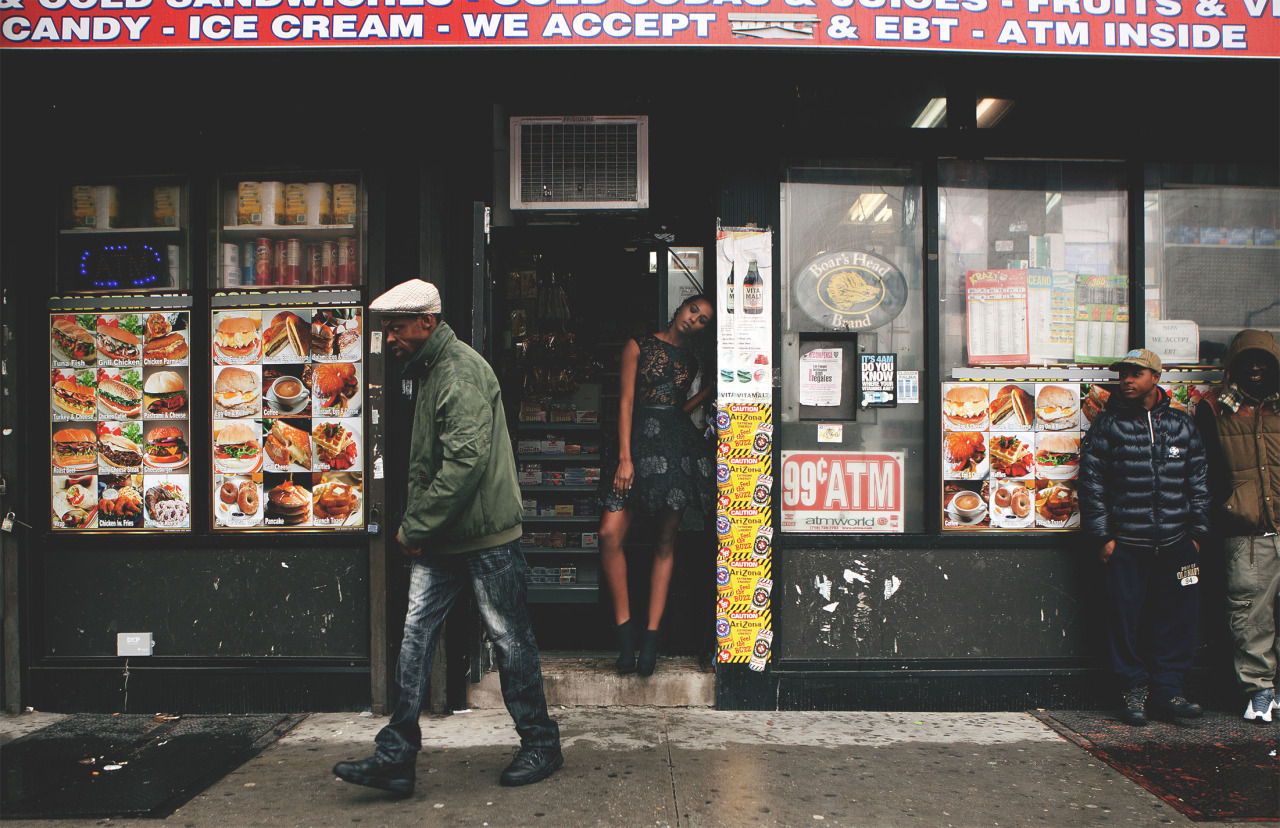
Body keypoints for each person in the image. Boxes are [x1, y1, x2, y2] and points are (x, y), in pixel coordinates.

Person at [333, 279, 561, 797]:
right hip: (446, 538)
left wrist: (414, 527)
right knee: (415, 639)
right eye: (385, 328)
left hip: (484, 538)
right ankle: (396, 756)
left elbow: (464, 463)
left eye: (395, 327)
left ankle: (541, 744)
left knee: (509, 641)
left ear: (426, 323)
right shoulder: (433, 370)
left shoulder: (458, 373)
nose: (388, 338)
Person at [1079, 348, 1211, 727]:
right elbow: (1091, 485)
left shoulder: (1182, 425)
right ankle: (1133, 691)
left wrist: (1197, 535)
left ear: (1156, 377)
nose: (1127, 380)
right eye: (1123, 373)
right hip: (1127, 544)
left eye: (1136, 373)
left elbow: (1199, 483)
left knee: (1177, 620)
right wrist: (1104, 537)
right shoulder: (1108, 426)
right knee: (1125, 619)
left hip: (1177, 544)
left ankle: (1169, 693)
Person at [600, 294, 717, 677]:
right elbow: (627, 402)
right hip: (635, 446)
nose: (694, 320)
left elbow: (679, 408)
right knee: (609, 534)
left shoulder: (691, 360)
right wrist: (624, 457)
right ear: (680, 308)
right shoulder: (638, 345)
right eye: (692, 311)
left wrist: (709, 392)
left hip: (675, 449)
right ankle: (626, 637)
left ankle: (650, 640)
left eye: (703, 320)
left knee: (665, 541)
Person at [1194, 330, 1280, 724]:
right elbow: (1205, 471)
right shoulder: (1214, 408)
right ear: (1233, 367)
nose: (1256, 367)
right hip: (1247, 530)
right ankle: (1259, 690)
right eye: (1247, 361)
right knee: (1249, 614)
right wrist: (1225, 509)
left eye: (1263, 361)